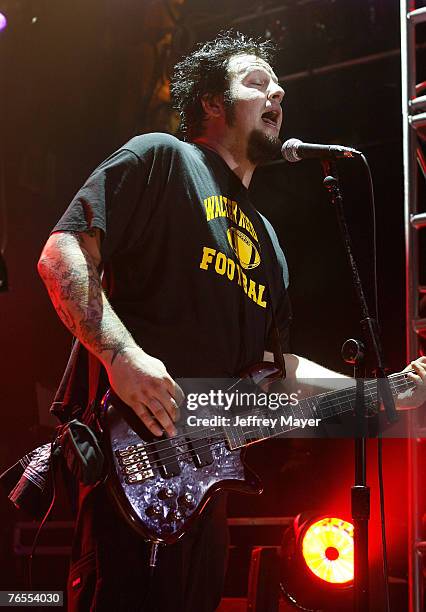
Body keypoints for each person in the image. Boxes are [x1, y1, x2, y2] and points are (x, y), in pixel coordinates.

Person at [37, 30, 426, 612]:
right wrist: (122, 357)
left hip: (204, 495)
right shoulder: (162, 157)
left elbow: (274, 374)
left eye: (279, 86)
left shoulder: (268, 241)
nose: (278, 92)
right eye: (257, 82)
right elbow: (62, 252)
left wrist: (389, 394)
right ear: (213, 104)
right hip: (132, 469)